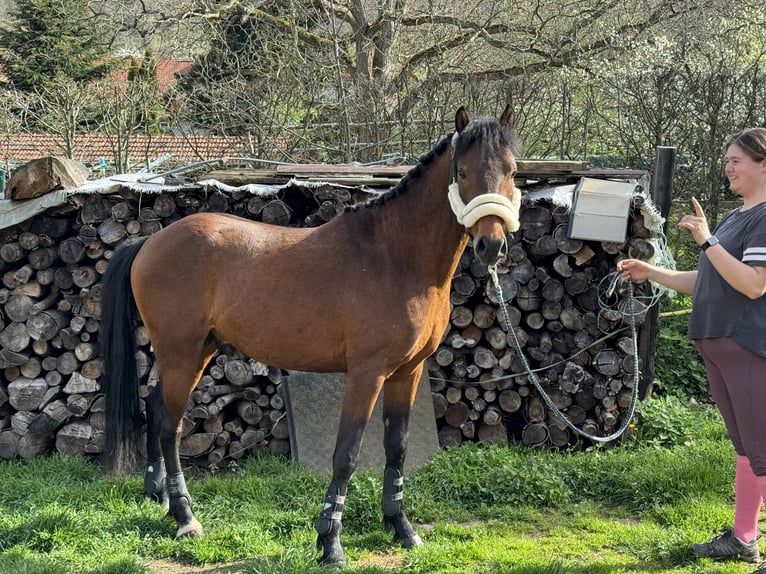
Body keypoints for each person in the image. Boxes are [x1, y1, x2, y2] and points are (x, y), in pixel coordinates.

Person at [618, 127, 766, 573]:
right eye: (726, 159)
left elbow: (755, 285)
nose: (728, 166)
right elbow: (706, 280)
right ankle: (744, 539)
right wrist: (651, 270)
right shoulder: (735, 218)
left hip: (747, 345)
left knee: (763, 450)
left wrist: (707, 240)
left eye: (737, 159)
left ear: (764, 164)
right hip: (716, 344)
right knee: (746, 449)